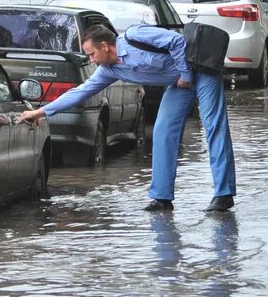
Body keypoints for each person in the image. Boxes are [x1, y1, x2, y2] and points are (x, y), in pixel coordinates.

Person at [18, 23, 237, 212]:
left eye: (92, 54)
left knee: (213, 126)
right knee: (162, 132)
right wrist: (39, 112)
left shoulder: (135, 35)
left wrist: (186, 75)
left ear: (105, 46)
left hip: (200, 70)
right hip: (180, 83)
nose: (91, 60)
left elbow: (177, 41)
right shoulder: (109, 71)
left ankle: (224, 194)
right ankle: (162, 198)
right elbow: (79, 93)